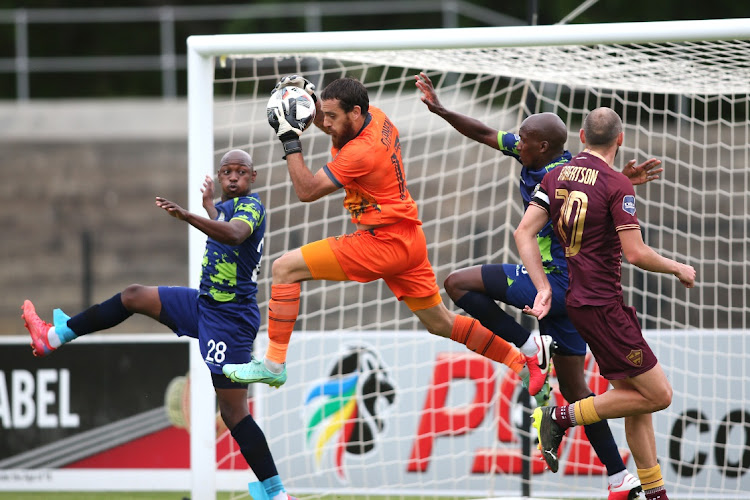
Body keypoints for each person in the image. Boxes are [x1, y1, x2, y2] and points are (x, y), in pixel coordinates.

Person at [222, 75, 553, 394]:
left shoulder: (361, 152)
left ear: (355, 113)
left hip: (380, 243)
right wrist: (309, 98)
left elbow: (306, 190)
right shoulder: (376, 116)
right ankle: (523, 363)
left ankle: (273, 365)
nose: (326, 123)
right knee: (440, 323)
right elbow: (337, 128)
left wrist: (288, 137)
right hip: (408, 238)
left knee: (284, 268)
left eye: (332, 116)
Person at [415, 72, 663, 499]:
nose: (516, 142)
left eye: (524, 140)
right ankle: (618, 476)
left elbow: (587, 203)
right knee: (575, 389)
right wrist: (439, 109)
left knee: (457, 284)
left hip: (551, 282)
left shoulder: (560, 172)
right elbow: (483, 132)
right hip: (573, 295)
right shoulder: (536, 153)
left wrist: (619, 181)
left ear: (543, 146)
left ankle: (529, 348)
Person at [21, 150, 295, 500]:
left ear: (253, 178)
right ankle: (54, 336)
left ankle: (275, 493)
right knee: (134, 295)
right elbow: (223, 220)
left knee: (232, 411)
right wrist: (210, 205)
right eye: (226, 171)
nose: (232, 178)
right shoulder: (226, 207)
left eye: (241, 172)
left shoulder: (252, 208)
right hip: (203, 304)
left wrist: (189, 215)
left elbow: (235, 235)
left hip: (230, 320)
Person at [514, 107, 696, 500]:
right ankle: (559, 416)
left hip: (580, 300)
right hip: (604, 306)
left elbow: (523, 232)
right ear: (621, 139)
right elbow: (635, 253)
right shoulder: (617, 185)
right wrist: (677, 266)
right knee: (658, 395)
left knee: (636, 402)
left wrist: (542, 286)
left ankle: (655, 494)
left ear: (580, 136)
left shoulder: (555, 174)